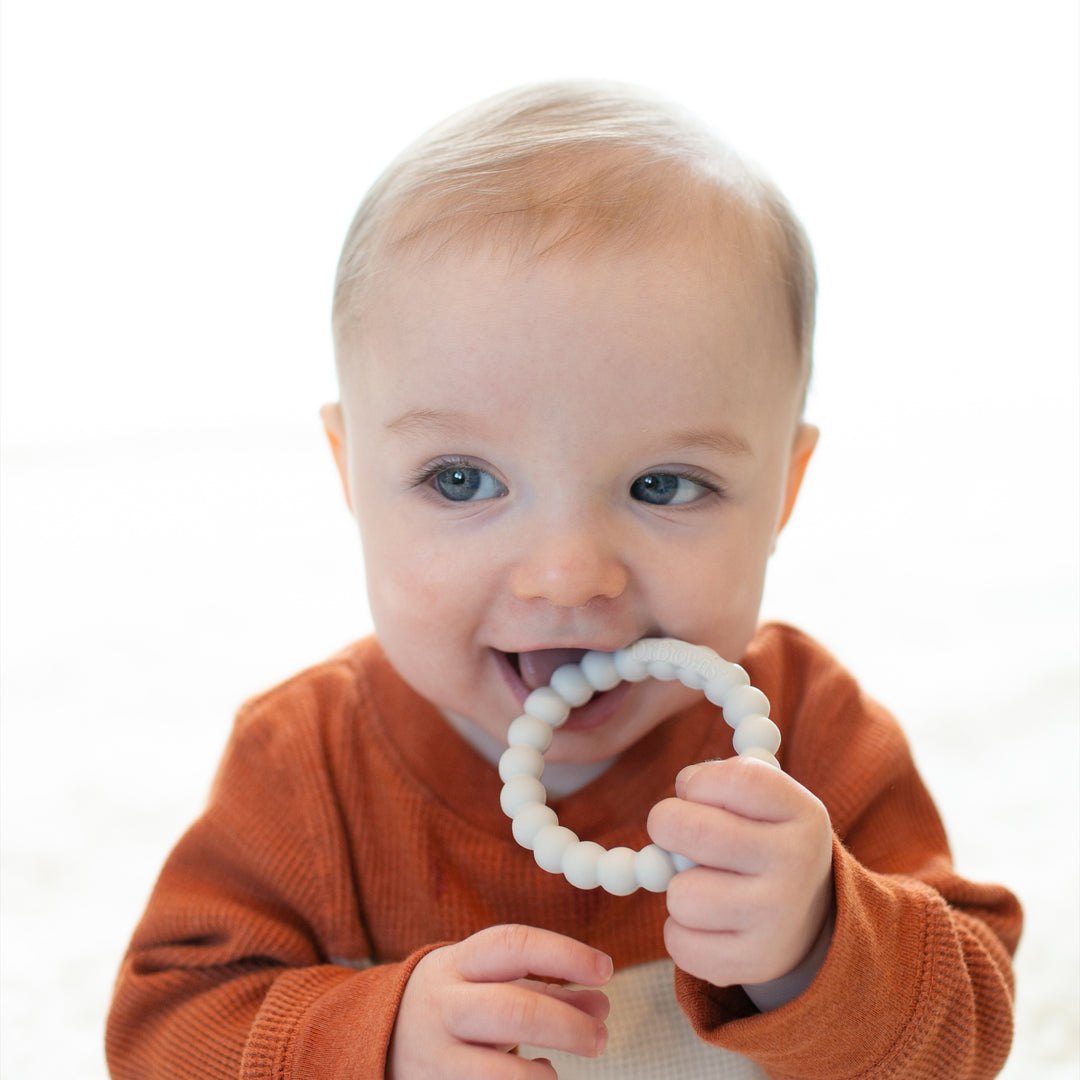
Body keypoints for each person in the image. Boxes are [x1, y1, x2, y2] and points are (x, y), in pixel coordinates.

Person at [105, 81, 1021, 1079]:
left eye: (665, 484)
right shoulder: (304, 765)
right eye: (462, 480)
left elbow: (969, 1036)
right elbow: (162, 1032)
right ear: (349, 474)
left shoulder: (813, 735)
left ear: (785, 492)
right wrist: (376, 1039)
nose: (567, 576)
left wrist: (820, 943)